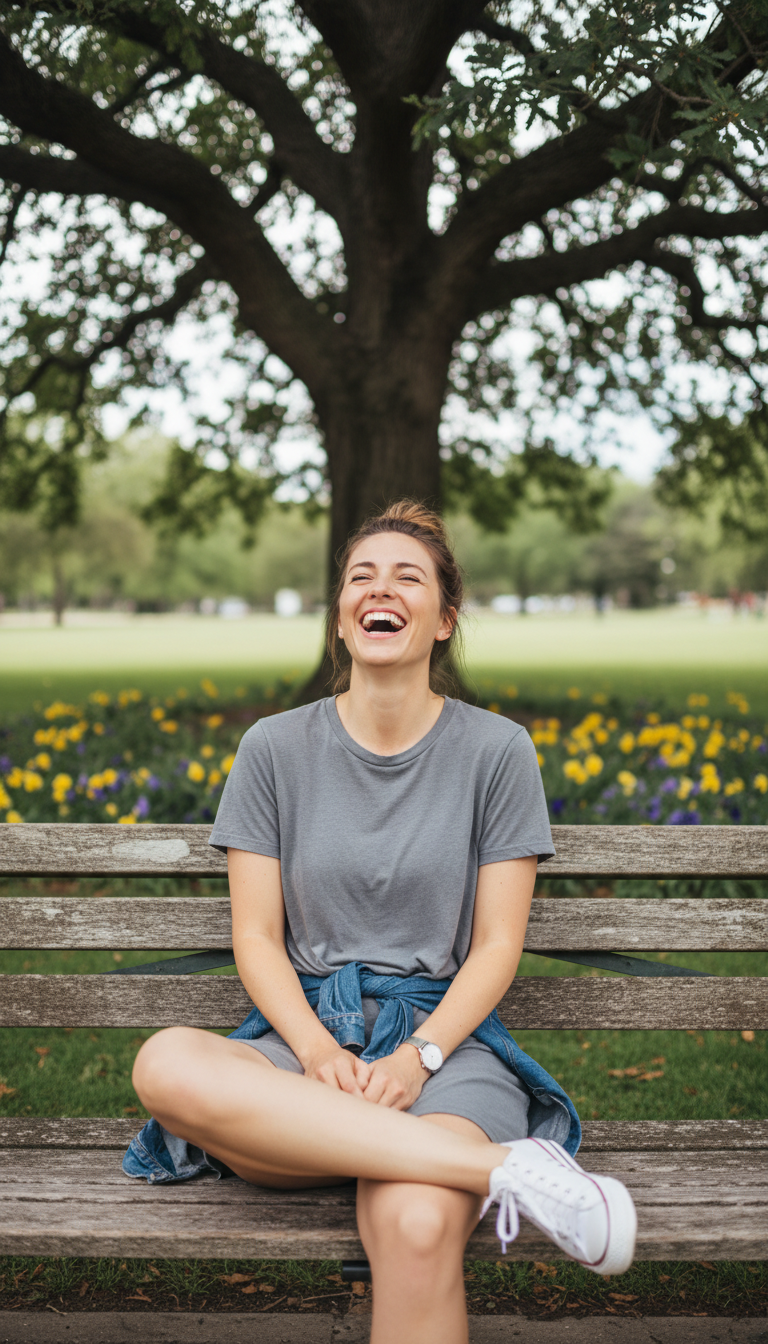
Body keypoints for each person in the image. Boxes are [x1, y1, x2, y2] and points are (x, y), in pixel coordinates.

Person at [130, 500, 636, 1344]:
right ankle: (510, 1172)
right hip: (301, 1045)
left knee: (415, 1227)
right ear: (340, 616)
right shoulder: (273, 749)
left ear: (444, 618)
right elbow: (256, 938)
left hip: (445, 1047)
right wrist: (323, 1052)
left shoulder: (498, 751)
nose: (380, 588)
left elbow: (497, 944)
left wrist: (419, 1057)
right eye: (361, 576)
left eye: (408, 577)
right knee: (167, 1064)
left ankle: (451, 1156)